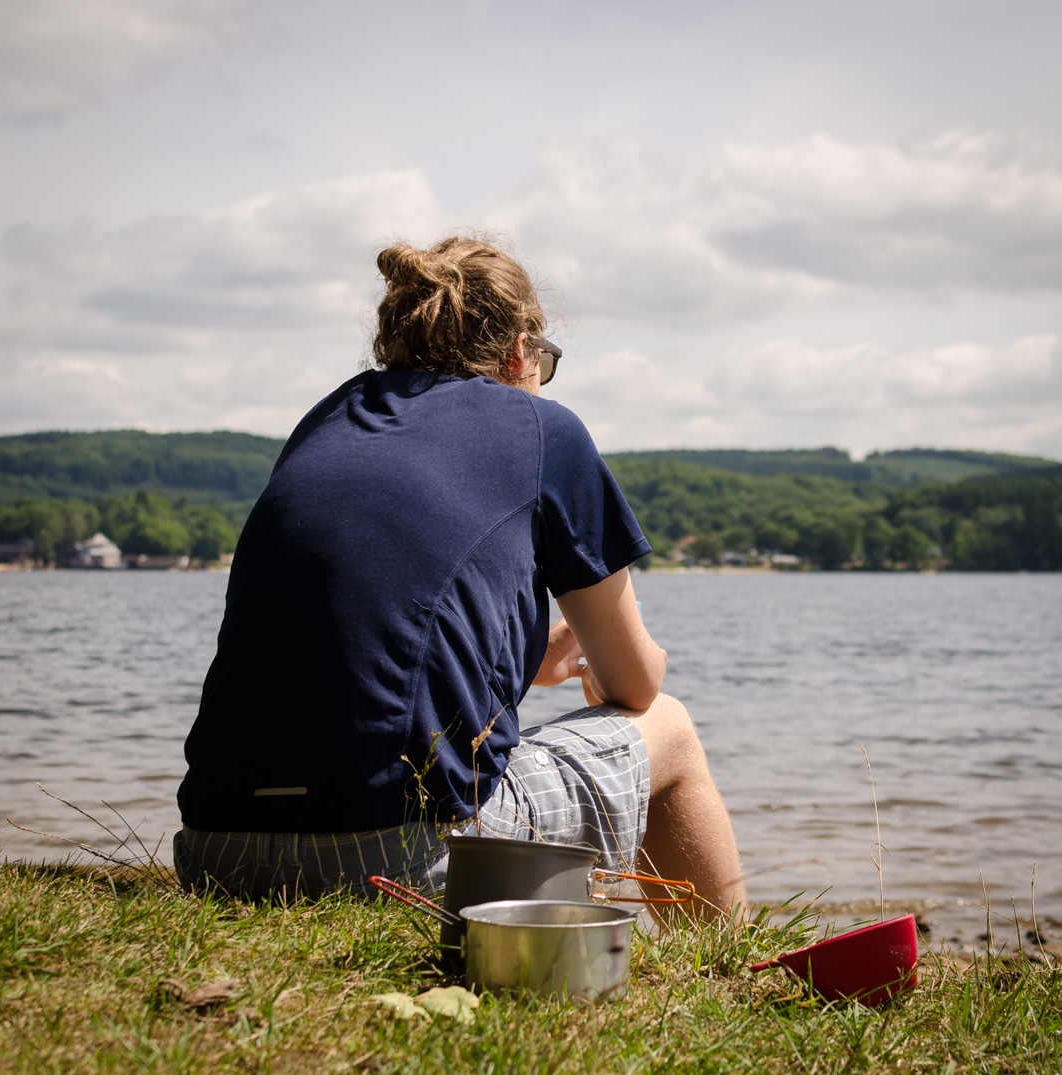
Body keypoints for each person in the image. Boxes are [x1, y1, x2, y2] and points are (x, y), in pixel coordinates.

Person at [174, 235, 746, 920]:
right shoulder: (543, 428)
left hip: (215, 851)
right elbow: (636, 683)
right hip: (394, 861)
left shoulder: (326, 419)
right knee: (670, 727)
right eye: (546, 362)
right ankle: (729, 968)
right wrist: (610, 656)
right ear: (521, 351)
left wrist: (531, 658)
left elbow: (358, 626)